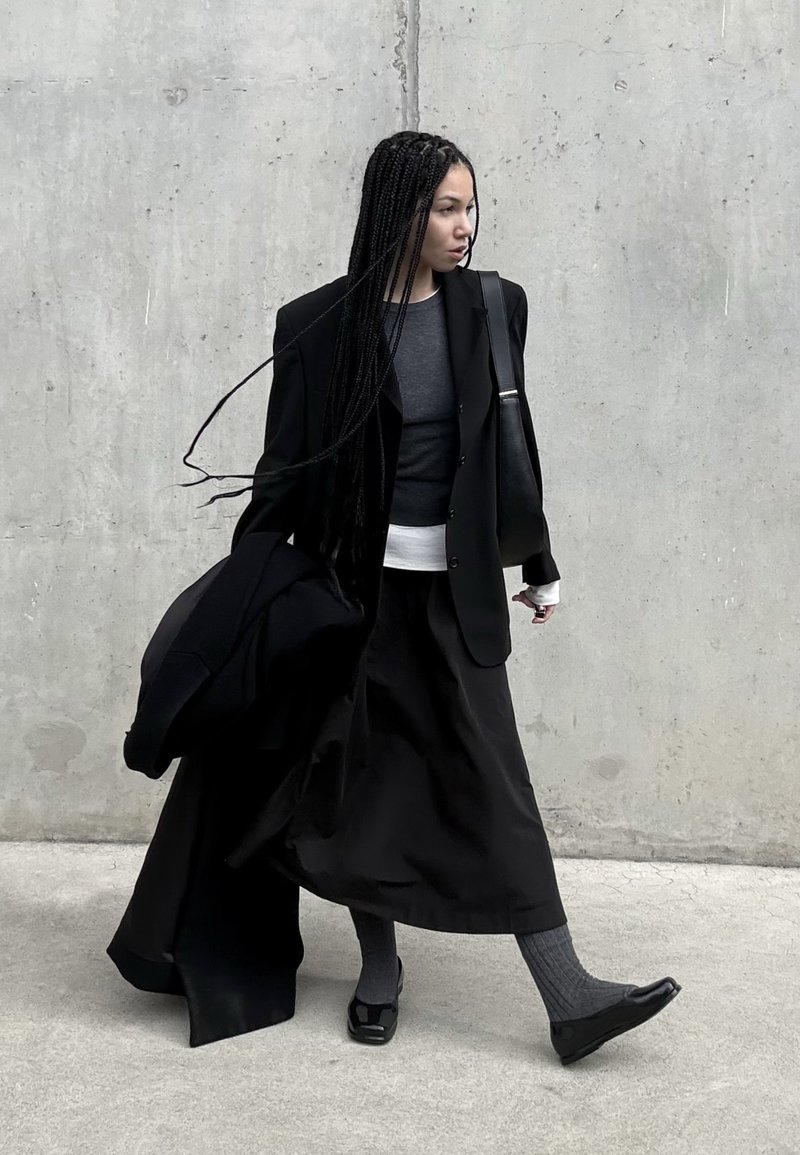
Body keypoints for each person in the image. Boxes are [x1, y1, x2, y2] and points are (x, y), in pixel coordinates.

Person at [117, 130, 681, 1064]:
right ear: (400, 212)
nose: (465, 225)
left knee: (498, 787)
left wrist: (537, 562)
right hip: (351, 596)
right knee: (360, 782)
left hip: (458, 592)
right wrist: (247, 601)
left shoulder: (497, 306)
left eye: (471, 206)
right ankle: (381, 971)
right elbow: (282, 478)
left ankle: (570, 992)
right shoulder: (316, 324)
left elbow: (513, 451)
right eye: (447, 208)